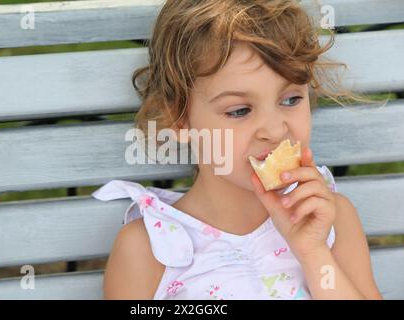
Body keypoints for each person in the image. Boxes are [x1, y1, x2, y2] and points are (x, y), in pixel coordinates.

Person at [92, 0, 383, 299]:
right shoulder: (148, 249)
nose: (274, 130)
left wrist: (313, 252)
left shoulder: (329, 217)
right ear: (178, 122)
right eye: (240, 110)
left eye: (291, 100)